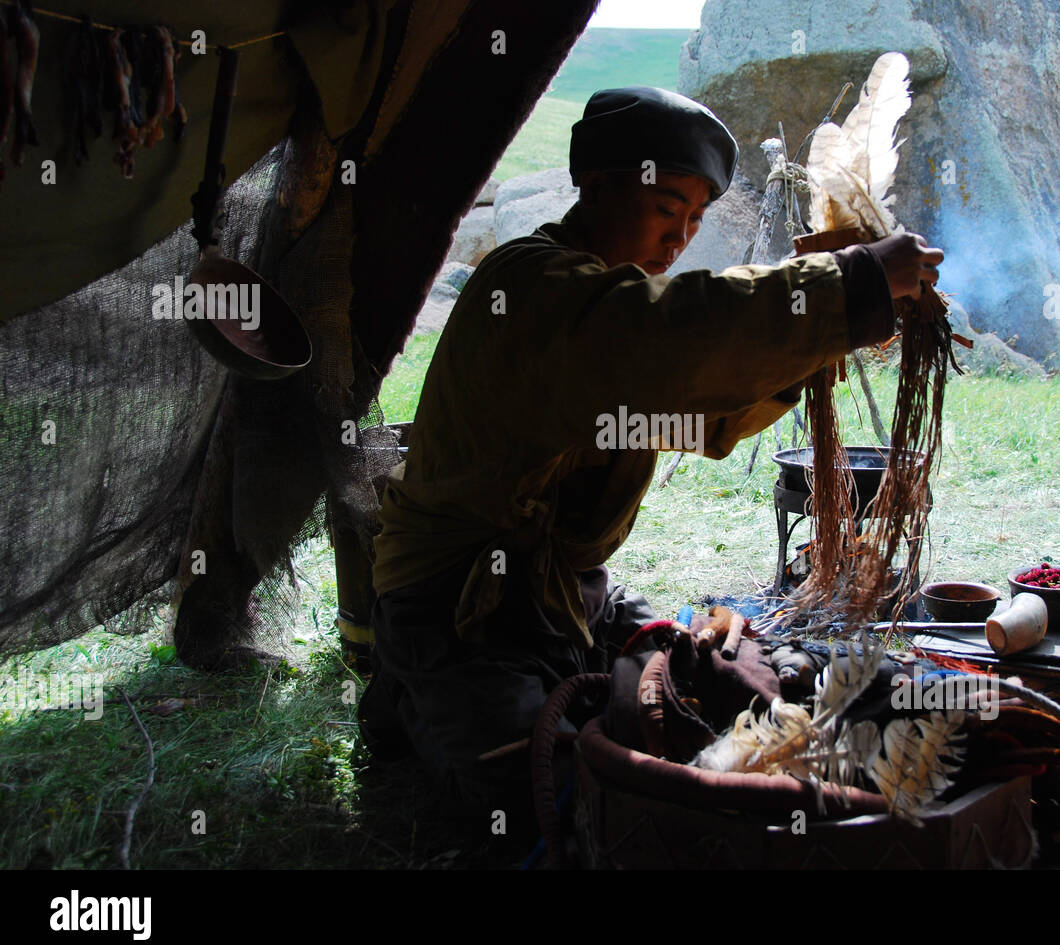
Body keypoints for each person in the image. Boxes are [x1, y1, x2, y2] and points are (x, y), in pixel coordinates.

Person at [358, 86, 943, 820]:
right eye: (667, 208)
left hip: (566, 598)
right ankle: (409, 694)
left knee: (713, 676)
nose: (680, 238)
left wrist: (811, 342)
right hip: (460, 612)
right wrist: (846, 286)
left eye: (695, 219)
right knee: (551, 790)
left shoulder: (609, 302)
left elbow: (698, 418)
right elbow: (662, 345)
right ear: (596, 186)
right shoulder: (530, 286)